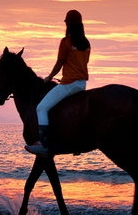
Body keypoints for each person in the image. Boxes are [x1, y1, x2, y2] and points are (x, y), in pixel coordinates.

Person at [25, 10, 90, 157]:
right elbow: (82, 63)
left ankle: (43, 144)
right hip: (82, 84)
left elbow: (59, 63)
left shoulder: (65, 42)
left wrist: (49, 77)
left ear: (67, 24)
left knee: (42, 108)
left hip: (69, 84)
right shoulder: (86, 44)